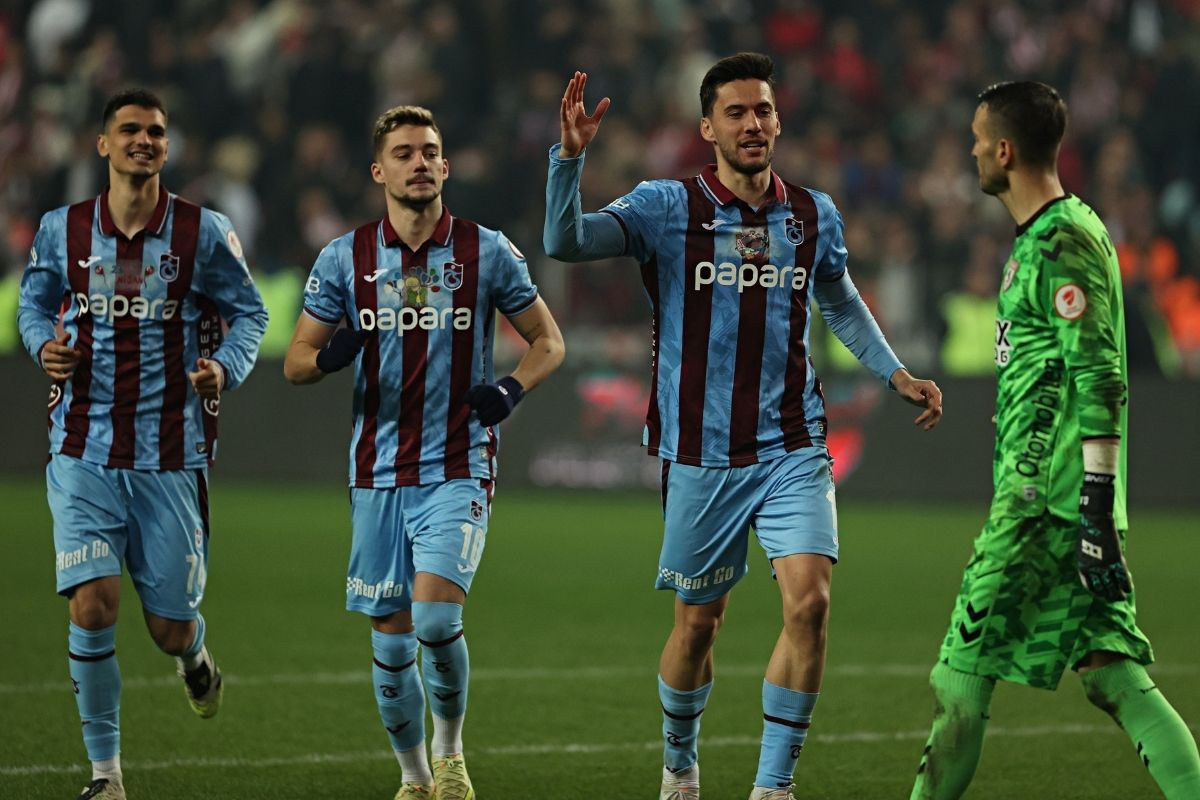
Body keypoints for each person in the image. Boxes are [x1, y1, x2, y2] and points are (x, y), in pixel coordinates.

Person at [544, 53, 943, 800]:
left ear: (778, 121)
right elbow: (566, 243)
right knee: (699, 624)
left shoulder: (812, 215)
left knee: (810, 604)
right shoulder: (666, 207)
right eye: (735, 112)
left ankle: (772, 787)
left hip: (793, 442)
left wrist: (896, 373)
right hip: (702, 451)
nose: (752, 123)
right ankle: (680, 765)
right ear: (707, 128)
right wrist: (569, 160)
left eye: (762, 110)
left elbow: (841, 301)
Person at [909, 81, 1200, 800]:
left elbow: (1101, 374)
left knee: (958, 681)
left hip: (1045, 510)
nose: (973, 152)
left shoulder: (1062, 240)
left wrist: (1094, 508)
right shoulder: (1052, 233)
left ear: (1005, 151)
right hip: (1064, 503)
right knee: (1112, 675)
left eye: (979, 140)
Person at [284, 105, 565, 800]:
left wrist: (511, 389)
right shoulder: (344, 258)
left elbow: (548, 341)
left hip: (458, 463)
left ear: (445, 166)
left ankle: (450, 755)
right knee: (390, 638)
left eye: (429, 151)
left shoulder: (486, 251)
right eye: (404, 153)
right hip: (377, 470)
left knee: (436, 618)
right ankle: (413, 779)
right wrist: (330, 357)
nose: (419, 162)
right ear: (379, 171)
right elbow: (295, 362)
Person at [17, 88, 269, 800]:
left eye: (155, 131)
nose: (143, 140)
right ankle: (107, 776)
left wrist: (225, 366)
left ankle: (195, 658)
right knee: (93, 606)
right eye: (129, 129)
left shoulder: (203, 232)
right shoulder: (62, 230)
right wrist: (42, 346)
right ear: (103, 144)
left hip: (169, 455)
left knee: (168, 628)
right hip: (83, 446)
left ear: (167, 146)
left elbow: (250, 312)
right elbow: (33, 303)